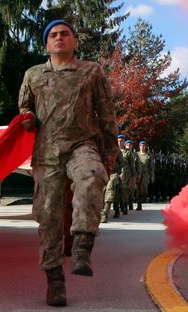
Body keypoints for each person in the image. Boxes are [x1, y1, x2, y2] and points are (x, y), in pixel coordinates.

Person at [18, 19, 118, 307]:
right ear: (46, 44)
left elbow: (107, 114)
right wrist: (27, 118)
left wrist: (109, 157)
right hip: (46, 153)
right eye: (53, 35)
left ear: (74, 41)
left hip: (82, 144)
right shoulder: (33, 75)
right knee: (47, 217)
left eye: (65, 34)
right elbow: (25, 106)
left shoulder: (91, 71)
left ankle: (82, 245)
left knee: (90, 175)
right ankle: (54, 280)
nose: (59, 38)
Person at [136, 140, 155, 210]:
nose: (142, 147)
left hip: (145, 174)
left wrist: (152, 176)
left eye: (144, 146)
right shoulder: (136, 154)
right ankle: (139, 204)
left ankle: (143, 198)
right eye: (141, 146)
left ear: (145, 147)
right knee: (137, 189)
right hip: (137, 174)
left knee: (143, 188)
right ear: (139, 146)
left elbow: (151, 167)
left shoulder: (149, 155)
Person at [118, 139, 134, 216]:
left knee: (124, 190)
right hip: (115, 173)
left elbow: (132, 166)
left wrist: (133, 177)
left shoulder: (128, 152)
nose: (119, 143)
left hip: (126, 174)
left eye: (121, 141)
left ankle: (124, 206)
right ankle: (117, 208)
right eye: (118, 141)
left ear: (124, 143)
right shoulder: (114, 150)